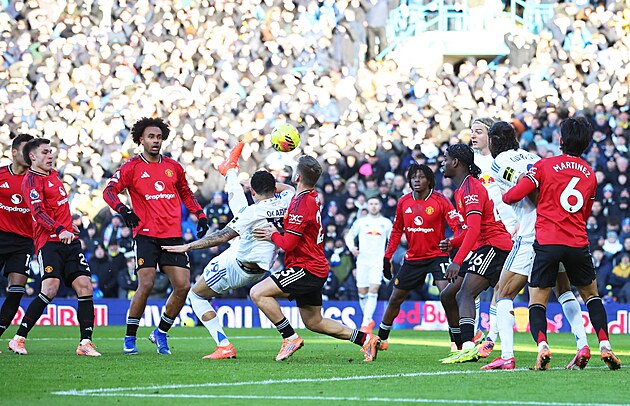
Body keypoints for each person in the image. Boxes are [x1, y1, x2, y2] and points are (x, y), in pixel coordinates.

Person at [503, 116, 622, 370]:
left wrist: (510, 189)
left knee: (537, 300)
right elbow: (585, 212)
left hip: (547, 242)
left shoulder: (544, 166)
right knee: (591, 296)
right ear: (586, 144)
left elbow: (512, 196)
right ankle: (605, 346)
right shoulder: (590, 174)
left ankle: (543, 347)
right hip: (577, 243)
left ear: (560, 140)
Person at [163, 144, 296, 359]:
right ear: (274, 188)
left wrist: (188, 246)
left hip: (237, 265)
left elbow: (221, 236)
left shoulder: (253, 212)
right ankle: (230, 171)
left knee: (196, 295)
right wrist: (262, 184)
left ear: (252, 192)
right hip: (260, 263)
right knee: (240, 211)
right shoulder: (288, 198)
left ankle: (223, 345)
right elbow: (287, 187)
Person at [481, 121, 588, 370]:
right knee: (563, 290)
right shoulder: (534, 157)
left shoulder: (500, 162)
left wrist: (535, 206)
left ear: (494, 142)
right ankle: (582, 344)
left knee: (503, 292)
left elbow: (523, 182)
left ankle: (507, 355)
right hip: (557, 232)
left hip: (532, 233)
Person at [251, 155, 380, 362]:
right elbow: (286, 189)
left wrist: (272, 234)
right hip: (315, 266)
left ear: (298, 177)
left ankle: (290, 337)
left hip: (306, 268)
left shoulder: (301, 204)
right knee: (314, 322)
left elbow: (288, 244)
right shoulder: (310, 195)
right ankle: (366, 340)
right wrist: (258, 184)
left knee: (258, 293)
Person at [103, 117, 209, 355]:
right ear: (141, 139)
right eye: (151, 137)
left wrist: (200, 215)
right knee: (146, 284)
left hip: (172, 236)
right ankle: (130, 337)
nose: (156, 141)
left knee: (183, 286)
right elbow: (109, 191)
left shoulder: (173, 167)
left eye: (159, 137)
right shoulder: (131, 167)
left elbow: (186, 192)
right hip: (146, 235)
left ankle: (160, 332)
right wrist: (123, 210)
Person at [9, 138, 99, 356]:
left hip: (69, 239)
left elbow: (58, 207)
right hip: (49, 242)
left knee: (85, 286)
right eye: (45, 152)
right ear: (32, 156)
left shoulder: (54, 175)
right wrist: (59, 229)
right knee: (50, 288)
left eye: (51, 151)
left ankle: (85, 343)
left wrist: (69, 226)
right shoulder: (31, 181)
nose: (50, 155)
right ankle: (18, 338)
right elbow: (38, 212)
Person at [438, 144, 513, 364]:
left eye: (446, 159)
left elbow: (474, 230)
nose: (443, 163)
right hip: (484, 246)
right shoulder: (462, 189)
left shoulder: (470, 188)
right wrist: (453, 243)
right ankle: (462, 345)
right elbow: (469, 230)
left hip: (494, 246)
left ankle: (469, 346)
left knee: (465, 294)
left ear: (456, 162)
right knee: (448, 294)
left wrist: (457, 261)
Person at [376, 164, 463, 350]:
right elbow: (396, 230)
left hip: (437, 255)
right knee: (395, 297)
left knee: (447, 295)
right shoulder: (404, 202)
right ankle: (380, 340)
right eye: (413, 177)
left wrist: (453, 243)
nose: (417, 180)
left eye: (421, 177)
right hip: (414, 258)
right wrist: (387, 257)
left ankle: (457, 342)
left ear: (429, 181)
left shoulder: (440, 200)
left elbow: (457, 227)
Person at [470, 117, 518, 351]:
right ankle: (474, 333)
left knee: (501, 286)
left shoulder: (502, 161)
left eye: (478, 131)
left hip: (508, 229)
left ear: (490, 136)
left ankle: (491, 336)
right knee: (472, 285)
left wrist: (518, 222)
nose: (473, 135)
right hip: (479, 231)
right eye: (472, 131)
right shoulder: (470, 162)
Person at [0, 134, 34, 343]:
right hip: (0, 235)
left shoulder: (36, 179)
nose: (30, 155)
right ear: (13, 152)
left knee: (17, 289)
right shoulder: (1, 175)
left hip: (23, 241)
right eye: (25, 150)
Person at [344, 196, 392, 333]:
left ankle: (365, 323)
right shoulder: (361, 222)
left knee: (374, 289)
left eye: (376, 203)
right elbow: (349, 236)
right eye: (371, 203)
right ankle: (368, 319)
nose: (374, 206)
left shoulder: (386, 223)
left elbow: (392, 240)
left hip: (378, 261)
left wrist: (388, 257)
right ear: (367, 206)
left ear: (380, 206)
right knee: (362, 292)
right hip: (362, 260)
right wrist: (352, 248)